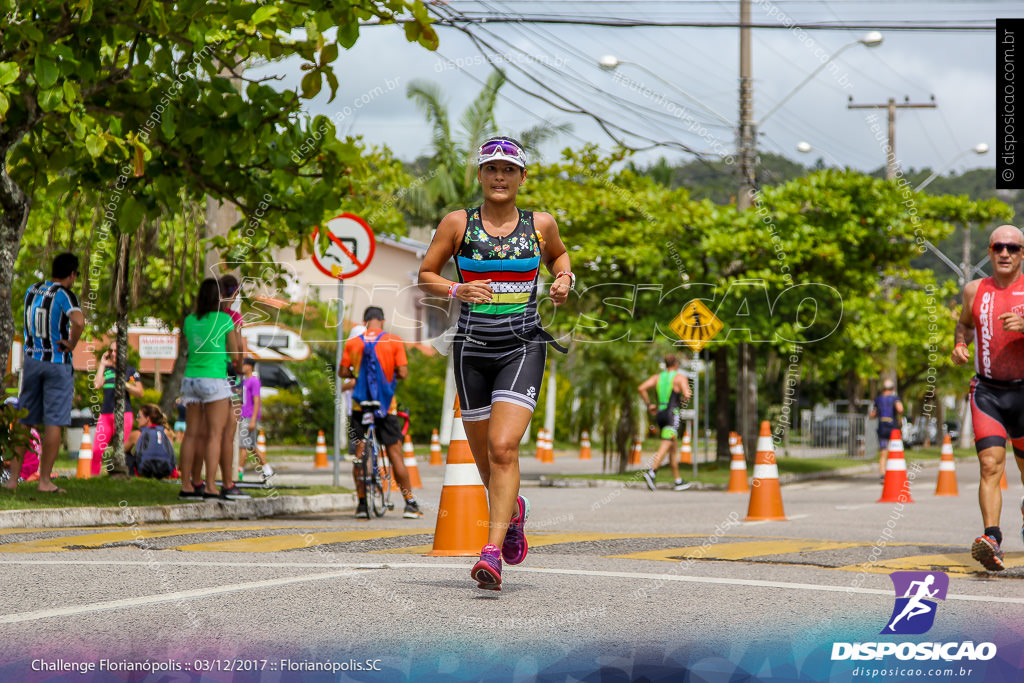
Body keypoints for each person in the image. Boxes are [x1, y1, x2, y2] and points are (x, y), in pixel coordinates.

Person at [417, 135, 573, 591]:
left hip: (522, 344)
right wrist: (454, 289)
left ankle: (490, 551)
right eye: (491, 169)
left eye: (509, 169)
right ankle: (514, 510)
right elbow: (425, 273)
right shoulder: (457, 223)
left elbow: (559, 255)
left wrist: (563, 277)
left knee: (504, 448)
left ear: (523, 177)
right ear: (480, 175)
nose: (499, 176)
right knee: (487, 459)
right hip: (471, 348)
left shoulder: (540, 224)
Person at [951, 224, 1024, 571]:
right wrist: (960, 343)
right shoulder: (974, 290)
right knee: (990, 465)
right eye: (998, 247)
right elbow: (964, 323)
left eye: (1012, 247)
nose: (1005, 253)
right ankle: (991, 538)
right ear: (990, 251)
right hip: (987, 391)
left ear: (1022, 253)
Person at [4, 252, 86, 493]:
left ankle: (12, 479)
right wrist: (71, 343)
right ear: (71, 274)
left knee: (24, 417)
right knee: (54, 421)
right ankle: (45, 481)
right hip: (56, 362)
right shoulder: (65, 294)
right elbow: (79, 322)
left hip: (31, 360)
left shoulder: (33, 289)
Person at [340, 307, 421, 520]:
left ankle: (361, 504)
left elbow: (342, 371)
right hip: (386, 406)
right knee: (395, 454)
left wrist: (355, 375)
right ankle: (410, 503)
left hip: (360, 407)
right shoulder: (394, 340)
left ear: (364, 321)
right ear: (382, 321)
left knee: (359, 455)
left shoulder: (352, 342)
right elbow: (403, 372)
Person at [179, 278, 245, 501]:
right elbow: (236, 356)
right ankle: (210, 487)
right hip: (214, 379)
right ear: (218, 297)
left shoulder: (189, 320)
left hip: (190, 379)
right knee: (215, 435)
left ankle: (187, 485)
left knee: (191, 434)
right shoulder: (224, 319)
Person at [637, 355, 693, 492]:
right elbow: (687, 394)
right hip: (672, 414)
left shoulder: (657, 377)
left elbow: (641, 388)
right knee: (666, 443)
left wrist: (649, 405)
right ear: (676, 364)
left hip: (661, 414)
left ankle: (677, 480)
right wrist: (682, 404)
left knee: (672, 449)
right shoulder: (679, 377)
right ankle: (652, 471)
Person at [92, 340, 144, 476]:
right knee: (97, 449)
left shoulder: (130, 371)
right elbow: (97, 384)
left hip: (123, 415)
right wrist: (102, 365)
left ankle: (119, 474)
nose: (114, 354)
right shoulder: (107, 370)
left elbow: (140, 392)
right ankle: (92, 476)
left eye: (116, 351)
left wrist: (125, 384)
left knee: (120, 448)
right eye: (111, 350)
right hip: (105, 414)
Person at [237, 358, 272, 480]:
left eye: (244, 365)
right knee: (251, 446)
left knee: (243, 445)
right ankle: (267, 469)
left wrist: (253, 420)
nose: (242, 367)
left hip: (249, 416)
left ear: (250, 366)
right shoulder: (244, 381)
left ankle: (239, 472)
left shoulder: (254, 381)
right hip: (243, 415)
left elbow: (257, 401)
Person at [125, 404, 175, 479]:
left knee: (125, 455)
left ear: (148, 419)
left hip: (144, 470)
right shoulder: (167, 432)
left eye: (139, 416)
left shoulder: (137, 434)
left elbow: (123, 450)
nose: (137, 419)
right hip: (165, 470)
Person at [869, 379, 904, 479]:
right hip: (892, 427)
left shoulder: (878, 399)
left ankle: (882, 474)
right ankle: (893, 473)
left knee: (883, 452)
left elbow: (873, 414)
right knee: (894, 450)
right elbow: (900, 409)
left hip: (882, 427)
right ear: (892, 389)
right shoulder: (895, 398)